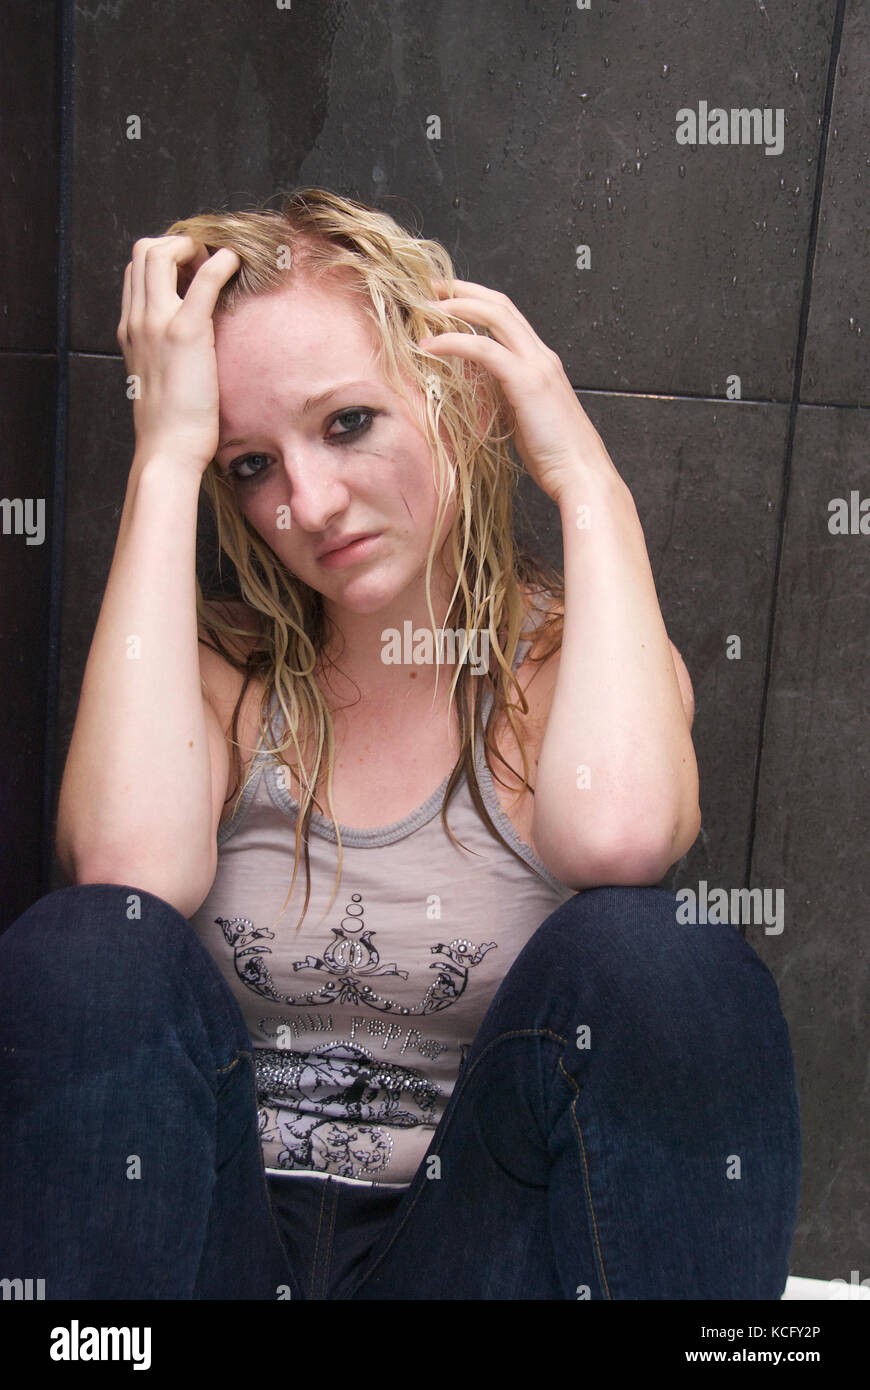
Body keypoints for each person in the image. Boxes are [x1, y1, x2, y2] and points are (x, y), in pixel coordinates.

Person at [0, 187, 800, 1300]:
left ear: (461, 399)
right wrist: (164, 456)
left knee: (669, 958)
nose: (308, 503)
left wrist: (583, 476)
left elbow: (620, 839)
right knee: (86, 947)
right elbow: (124, 877)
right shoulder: (218, 673)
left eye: (346, 423)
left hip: (469, 1249)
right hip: (217, 1244)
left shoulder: (579, 667)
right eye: (250, 465)